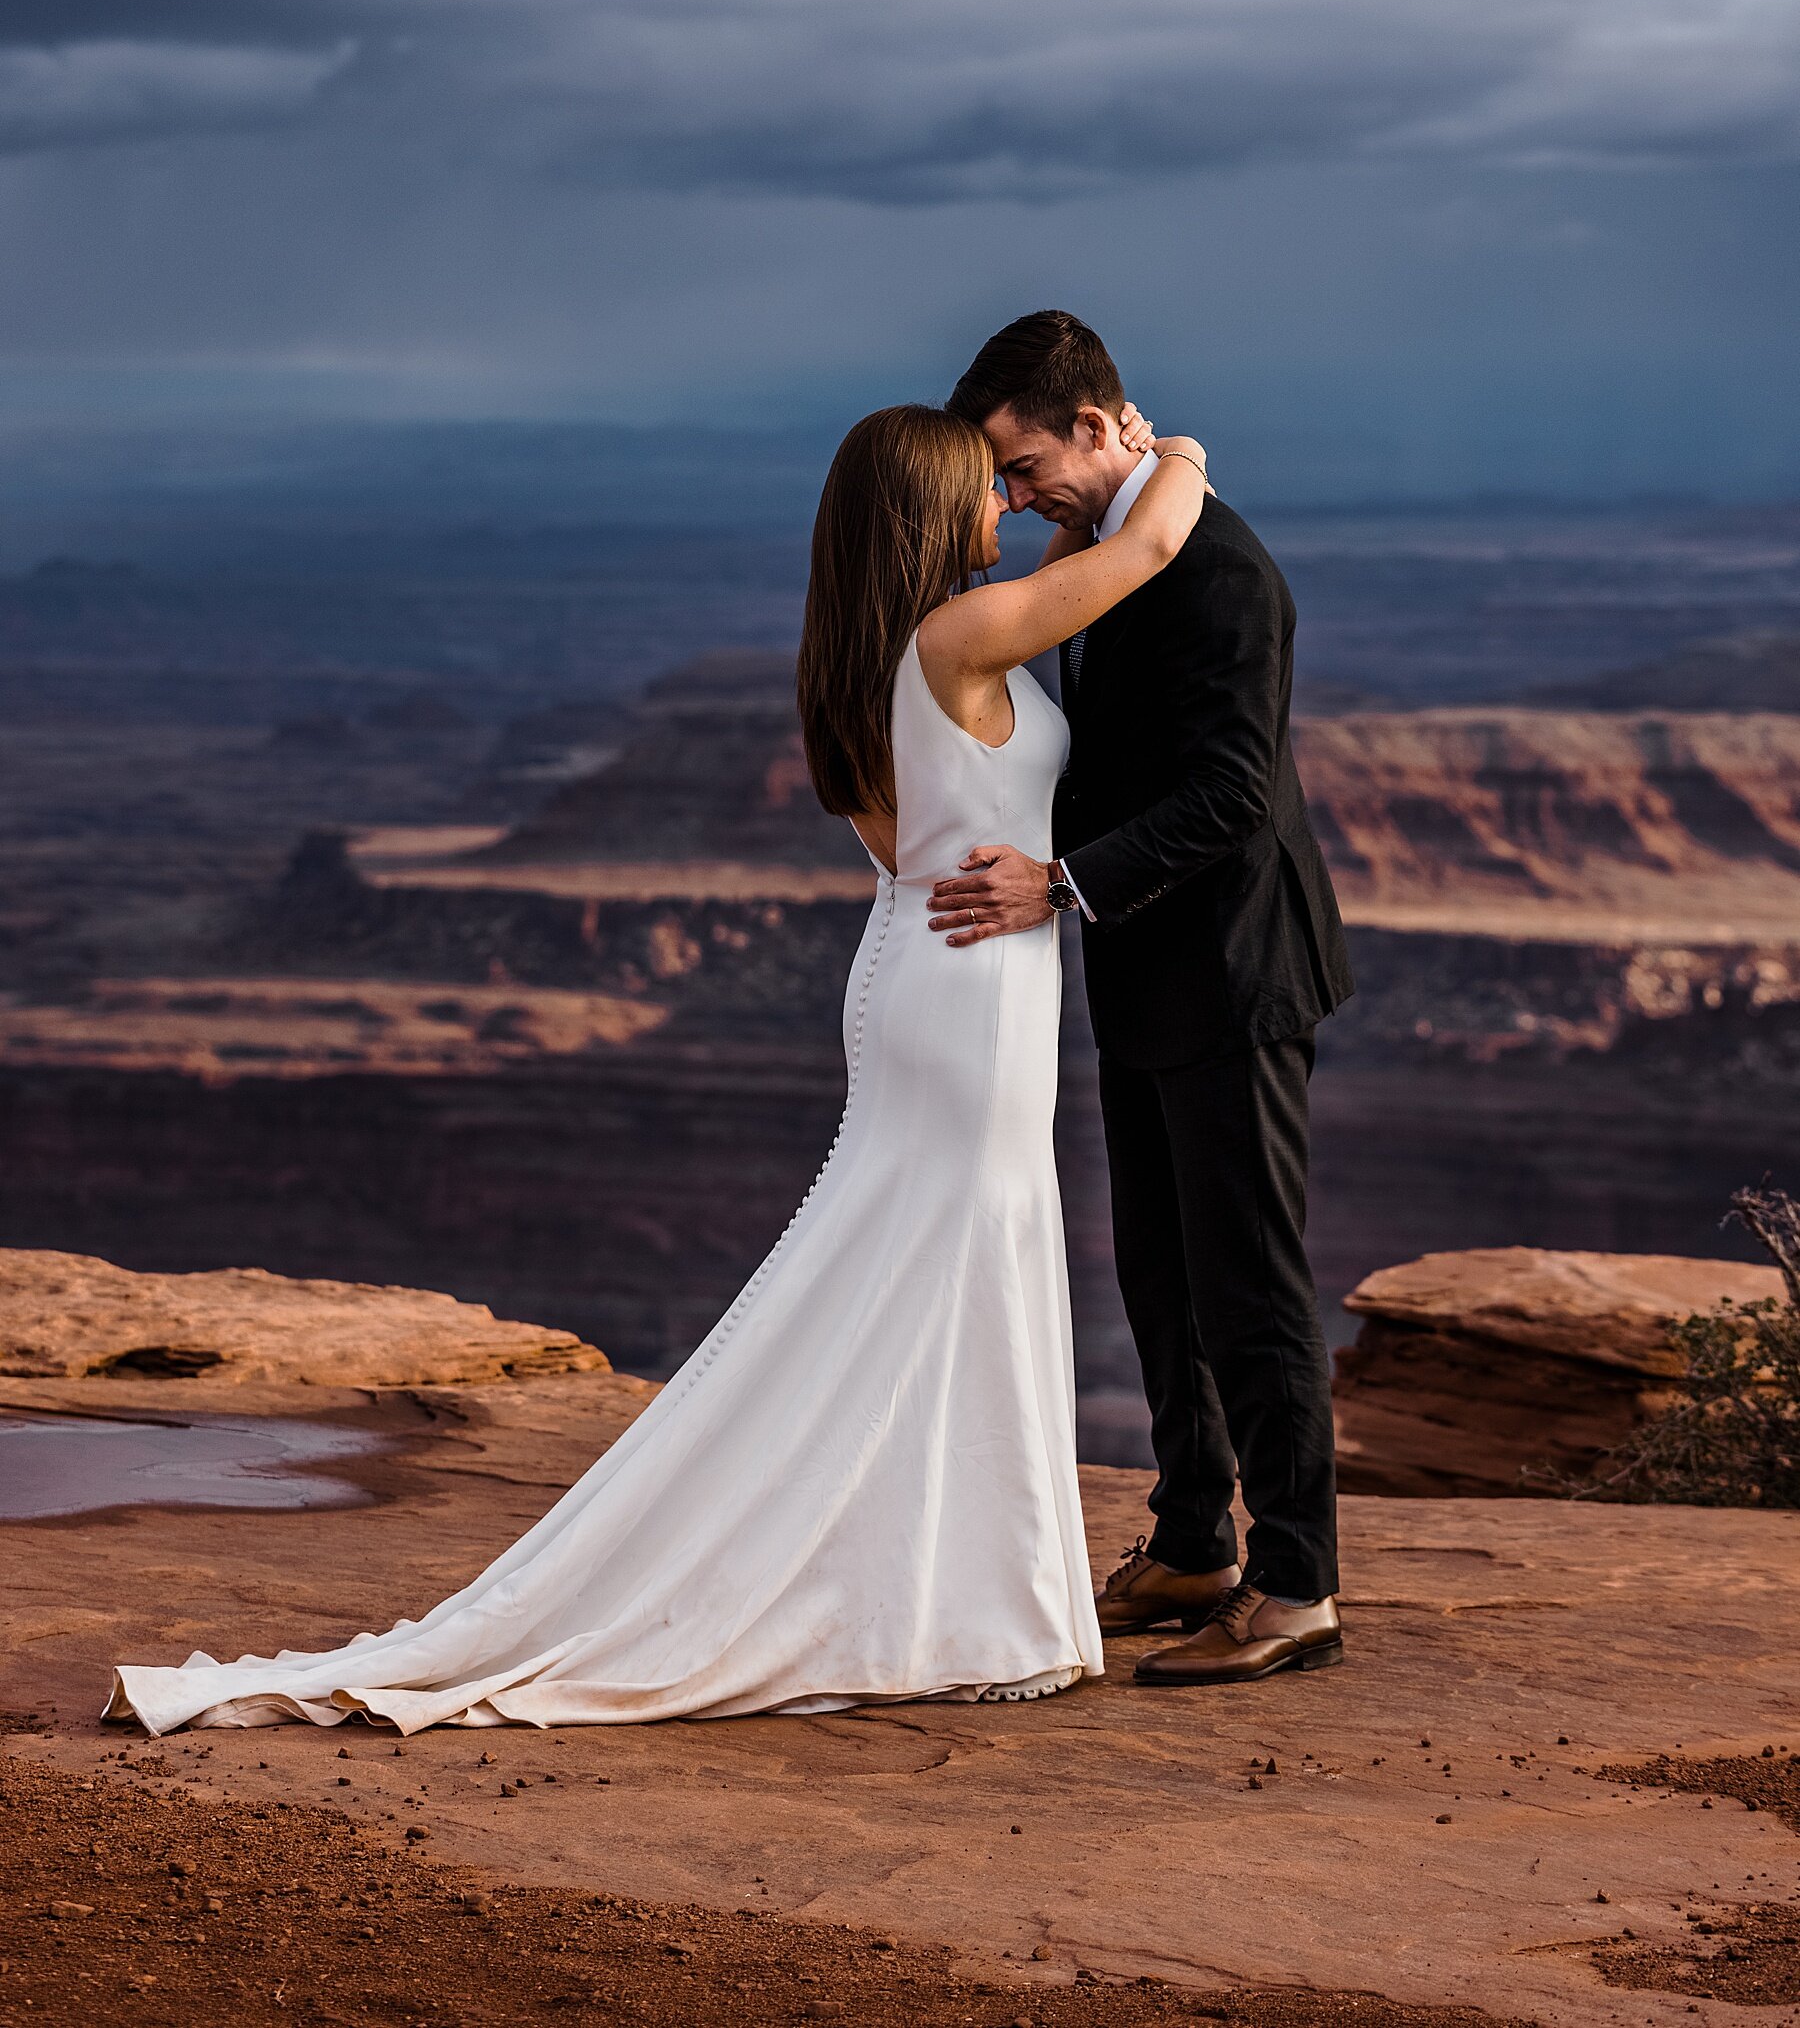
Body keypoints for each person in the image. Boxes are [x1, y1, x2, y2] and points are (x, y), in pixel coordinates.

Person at [105, 399, 1208, 1735]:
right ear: (927, 511)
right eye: (985, 488)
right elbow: (1145, 553)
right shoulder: (958, 636)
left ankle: (977, 1600)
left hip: (933, 966)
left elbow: (907, 840)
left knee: (941, 1275)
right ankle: (987, 1607)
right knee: (966, 1265)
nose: (1009, 507)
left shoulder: (870, 655)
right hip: (968, 993)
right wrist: (1175, 453)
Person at [937, 310, 1354, 1686]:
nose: (1013, 494)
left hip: (1233, 965)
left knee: (1247, 1275)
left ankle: (1295, 1581)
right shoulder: (1116, 547)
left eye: (1023, 460)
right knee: (1158, 1270)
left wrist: (1058, 883)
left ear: (1102, 424)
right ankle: (1193, 1538)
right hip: (1142, 964)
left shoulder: (1221, 571)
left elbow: (1235, 793)